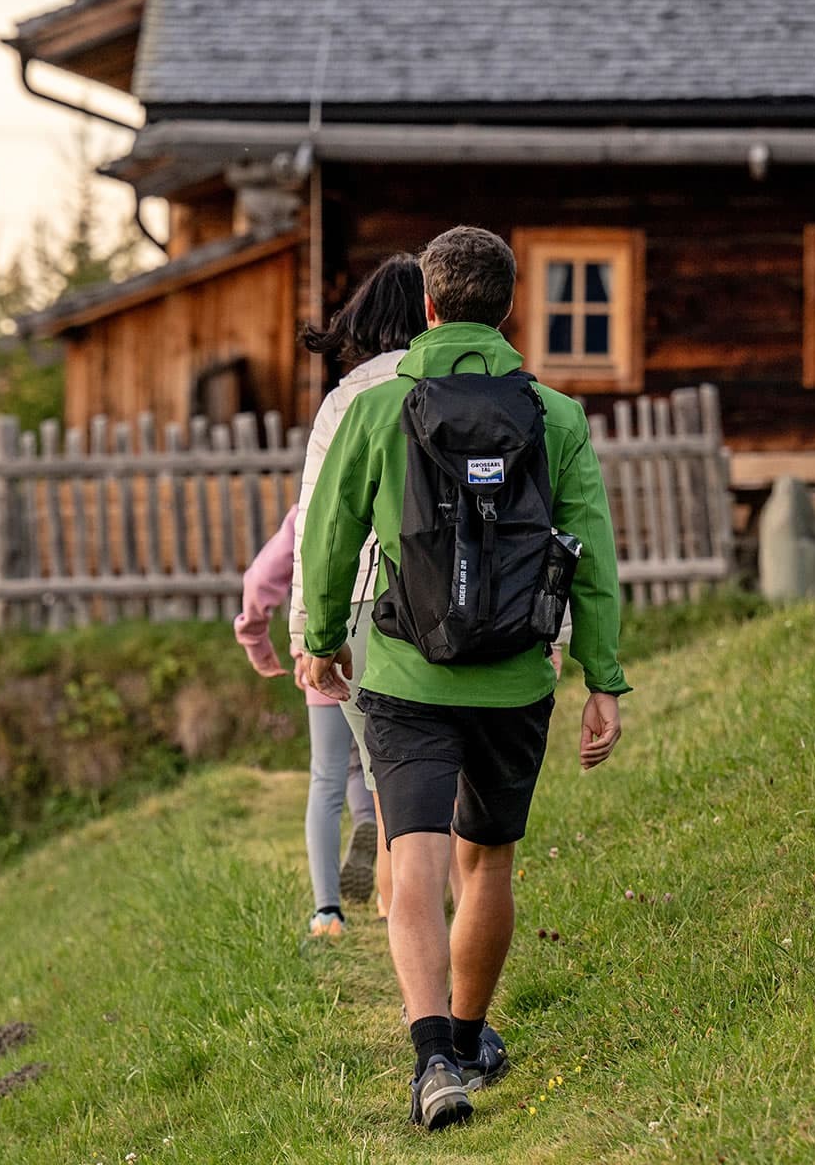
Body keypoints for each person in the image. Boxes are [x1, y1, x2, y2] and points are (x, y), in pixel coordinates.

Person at [297, 225, 629, 1130]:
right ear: (509, 308)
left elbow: (329, 537)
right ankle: (475, 1038)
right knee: (488, 863)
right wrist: (603, 677)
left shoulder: (375, 409)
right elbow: (590, 554)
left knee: (416, 864)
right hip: (517, 678)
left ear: (430, 308)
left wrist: (323, 639)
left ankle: (432, 1058)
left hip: (405, 671)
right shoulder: (556, 416)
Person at [287, 252, 429, 925]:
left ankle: (413, 957)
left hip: (370, 608)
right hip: (469, 601)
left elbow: (318, 530)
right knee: (450, 790)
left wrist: (308, 637)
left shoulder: (345, 403)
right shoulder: (477, 384)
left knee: (394, 789)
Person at [235, 504, 379, 936]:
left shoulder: (305, 511)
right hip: (381, 651)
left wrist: (256, 642)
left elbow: (259, 581)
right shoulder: (384, 499)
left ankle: (327, 912)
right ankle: (393, 881)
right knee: (375, 766)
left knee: (327, 776)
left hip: (319, 656)